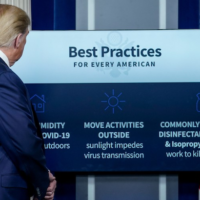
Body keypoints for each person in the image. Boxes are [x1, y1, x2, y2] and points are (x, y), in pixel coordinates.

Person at [0, 4, 56, 200]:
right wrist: (42, 179)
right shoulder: (3, 79)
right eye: (26, 38)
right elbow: (22, 140)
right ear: (18, 40)